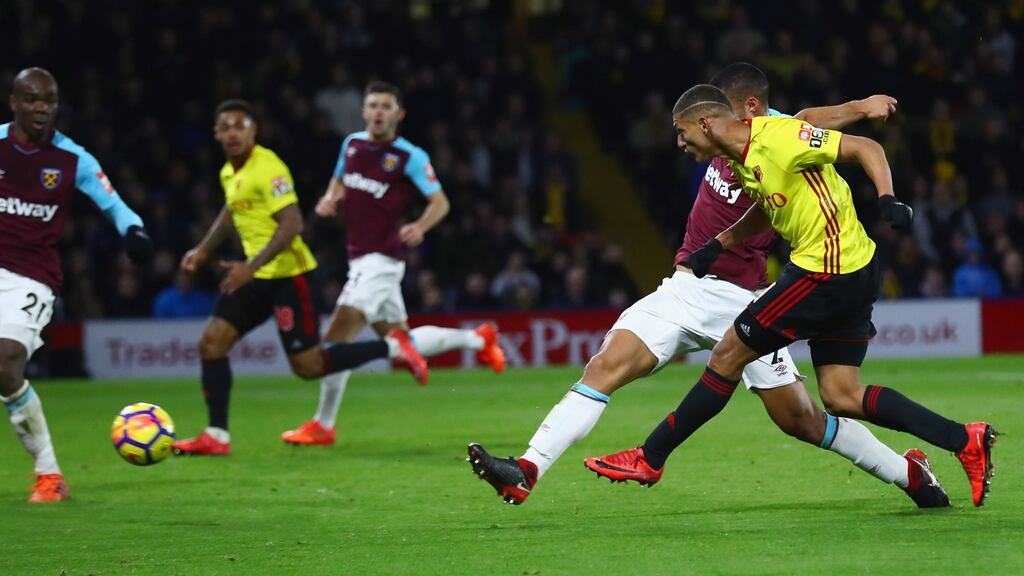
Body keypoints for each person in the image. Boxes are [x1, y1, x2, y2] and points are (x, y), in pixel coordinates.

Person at [467, 63, 947, 508]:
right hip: (683, 287)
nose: (697, 131)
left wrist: (863, 108)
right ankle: (527, 468)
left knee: (801, 419)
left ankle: (908, 473)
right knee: (605, 365)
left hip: (743, 299)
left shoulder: (778, 134)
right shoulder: (722, 142)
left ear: (749, 111)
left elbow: (817, 120)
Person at [594, 82, 995, 507]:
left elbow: (864, 148)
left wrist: (887, 198)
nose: (679, 142)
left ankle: (650, 456)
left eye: (682, 131)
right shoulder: (743, 158)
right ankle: (963, 439)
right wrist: (720, 243)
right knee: (841, 394)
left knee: (729, 353)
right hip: (854, 268)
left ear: (705, 123)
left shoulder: (779, 137)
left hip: (826, 270)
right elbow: (767, 207)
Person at [172, 99, 428, 456]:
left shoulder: (268, 167)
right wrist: (204, 249)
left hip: (288, 278)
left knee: (308, 367)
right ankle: (217, 435)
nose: (231, 133)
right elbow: (231, 211)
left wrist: (250, 266)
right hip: (253, 276)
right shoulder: (230, 172)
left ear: (252, 130)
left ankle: (393, 346)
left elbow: (293, 224)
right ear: (216, 133)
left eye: (238, 126)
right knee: (211, 343)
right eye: (225, 127)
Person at [281, 82, 504, 447]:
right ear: (364, 111)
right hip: (360, 258)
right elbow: (339, 180)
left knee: (334, 343)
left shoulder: (408, 156)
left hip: (381, 261)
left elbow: (440, 202)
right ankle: (478, 338)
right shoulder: (351, 144)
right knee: (404, 335)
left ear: (399, 114)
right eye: (373, 105)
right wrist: (329, 198)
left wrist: (420, 225)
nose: (378, 112)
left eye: (386, 106)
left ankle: (323, 423)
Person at [0, 68, 152, 502]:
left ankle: (49, 475)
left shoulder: (72, 159)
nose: (41, 107)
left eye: (48, 99)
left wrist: (134, 232)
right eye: (31, 99)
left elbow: (114, 203)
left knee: (6, 360)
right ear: (14, 103)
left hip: (31, 276)